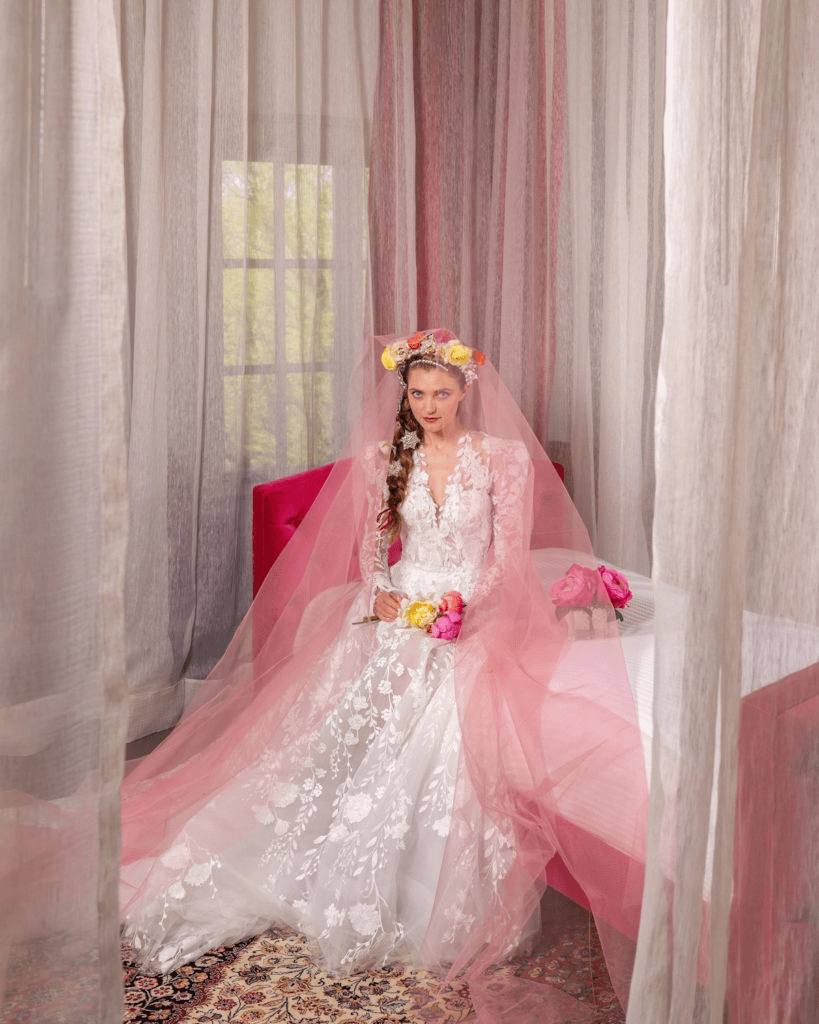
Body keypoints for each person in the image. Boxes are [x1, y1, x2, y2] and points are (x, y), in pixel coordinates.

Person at [120, 329, 647, 1020]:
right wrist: (387, 595)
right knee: (337, 735)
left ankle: (420, 893)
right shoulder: (383, 456)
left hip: (470, 608)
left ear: (467, 391)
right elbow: (372, 551)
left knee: (450, 730)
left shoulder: (504, 459)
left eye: (442, 393)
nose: (428, 406)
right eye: (417, 393)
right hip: (400, 605)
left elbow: (506, 556)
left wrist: (463, 603)